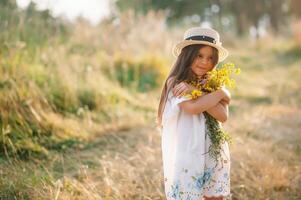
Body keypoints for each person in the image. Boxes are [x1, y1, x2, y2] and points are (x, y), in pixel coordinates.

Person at [157, 27, 232, 200]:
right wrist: (222, 94)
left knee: (214, 196)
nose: (205, 62)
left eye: (210, 58)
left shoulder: (213, 84)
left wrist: (217, 92)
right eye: (199, 55)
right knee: (189, 195)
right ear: (187, 55)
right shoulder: (176, 83)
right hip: (189, 151)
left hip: (213, 150)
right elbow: (192, 108)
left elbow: (223, 116)